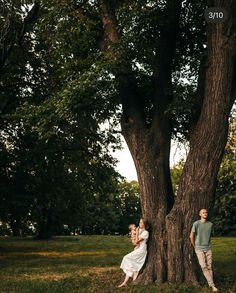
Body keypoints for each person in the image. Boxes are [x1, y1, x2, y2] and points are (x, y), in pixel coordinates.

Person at [189, 208, 219, 292]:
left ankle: (211, 285)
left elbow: (210, 236)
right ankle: (212, 285)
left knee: (209, 267)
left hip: (208, 248)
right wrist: (195, 246)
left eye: (206, 212)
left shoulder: (210, 224)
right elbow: (191, 236)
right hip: (199, 249)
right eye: (203, 212)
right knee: (203, 266)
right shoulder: (196, 223)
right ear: (200, 214)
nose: (205, 213)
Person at [118, 218, 149, 288]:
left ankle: (134, 279)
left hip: (142, 250)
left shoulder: (146, 233)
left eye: (141, 223)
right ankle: (125, 282)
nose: (139, 224)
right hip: (138, 249)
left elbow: (137, 241)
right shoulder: (140, 230)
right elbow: (134, 241)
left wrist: (137, 233)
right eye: (139, 222)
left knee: (126, 258)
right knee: (131, 265)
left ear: (145, 224)